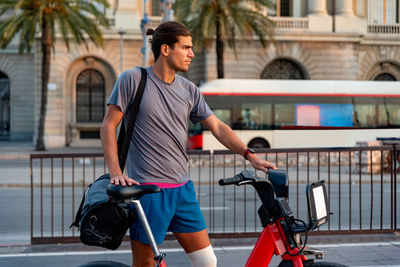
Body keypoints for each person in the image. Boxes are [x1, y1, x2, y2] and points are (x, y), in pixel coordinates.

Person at [100, 21, 276, 267]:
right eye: (186, 48)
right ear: (165, 50)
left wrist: (250, 155)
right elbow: (109, 125)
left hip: (183, 190)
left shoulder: (189, 90)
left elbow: (218, 127)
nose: (192, 54)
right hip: (149, 191)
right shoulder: (133, 79)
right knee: (145, 264)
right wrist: (115, 173)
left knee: (207, 262)